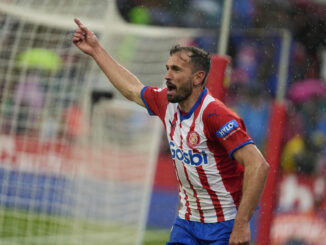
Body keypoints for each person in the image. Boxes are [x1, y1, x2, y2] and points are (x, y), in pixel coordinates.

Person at [72, 18, 269, 245]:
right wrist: (96, 50)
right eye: (167, 69)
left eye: (176, 70)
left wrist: (243, 223)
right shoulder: (166, 103)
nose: (167, 75)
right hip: (186, 223)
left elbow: (258, 165)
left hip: (223, 226)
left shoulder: (216, 115)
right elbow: (132, 89)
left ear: (198, 78)